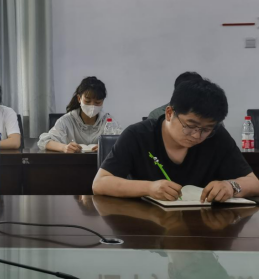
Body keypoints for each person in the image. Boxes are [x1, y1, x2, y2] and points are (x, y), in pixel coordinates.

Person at [93, 79, 259, 202]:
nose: (197, 135)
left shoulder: (217, 136)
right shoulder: (138, 135)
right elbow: (100, 183)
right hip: (148, 227)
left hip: (204, 227)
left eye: (206, 129)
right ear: (169, 113)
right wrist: (149, 188)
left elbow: (253, 183)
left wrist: (231, 186)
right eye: (190, 126)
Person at [38, 77, 114, 153]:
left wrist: (107, 146)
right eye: (87, 101)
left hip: (100, 160)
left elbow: (118, 142)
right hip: (72, 160)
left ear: (103, 101)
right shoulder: (67, 120)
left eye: (97, 102)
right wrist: (64, 147)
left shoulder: (108, 121)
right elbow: (44, 141)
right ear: (79, 99)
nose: (92, 106)